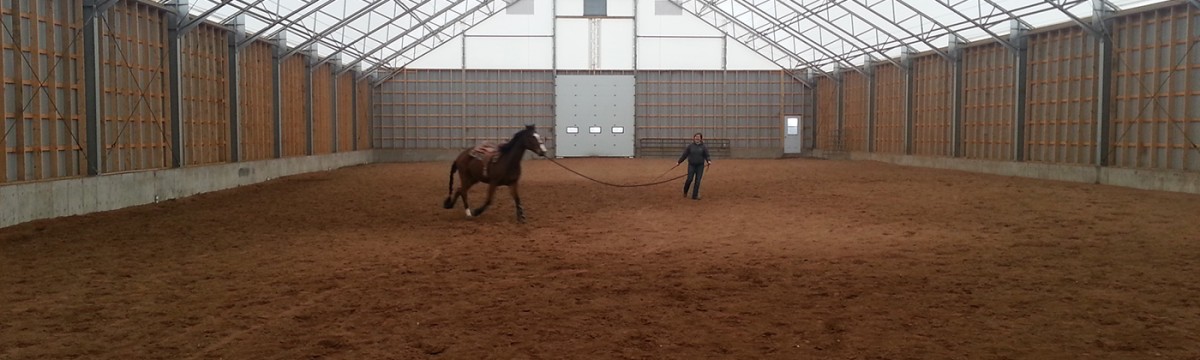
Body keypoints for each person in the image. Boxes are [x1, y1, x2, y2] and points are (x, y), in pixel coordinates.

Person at [677, 132, 712, 200]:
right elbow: (685, 155)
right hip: (691, 165)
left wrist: (709, 160)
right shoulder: (690, 146)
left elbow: (707, 155)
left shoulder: (703, 147)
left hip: (700, 166)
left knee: (698, 180)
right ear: (694, 138)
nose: (697, 138)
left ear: (701, 138)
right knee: (689, 179)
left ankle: (694, 195)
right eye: (696, 137)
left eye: (698, 137)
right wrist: (679, 162)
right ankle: (685, 191)